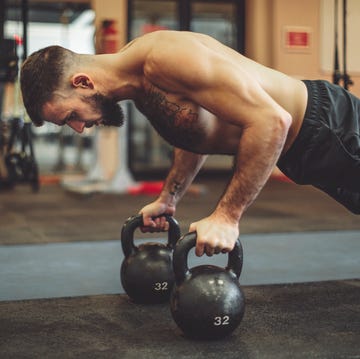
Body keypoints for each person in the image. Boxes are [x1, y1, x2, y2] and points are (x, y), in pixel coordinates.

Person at [20, 30, 360, 256]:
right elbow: (196, 132)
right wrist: (170, 198)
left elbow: (272, 120)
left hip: (332, 126)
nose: (78, 128)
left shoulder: (166, 58)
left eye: (70, 116)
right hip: (306, 149)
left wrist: (227, 216)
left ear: (82, 82)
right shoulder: (139, 84)